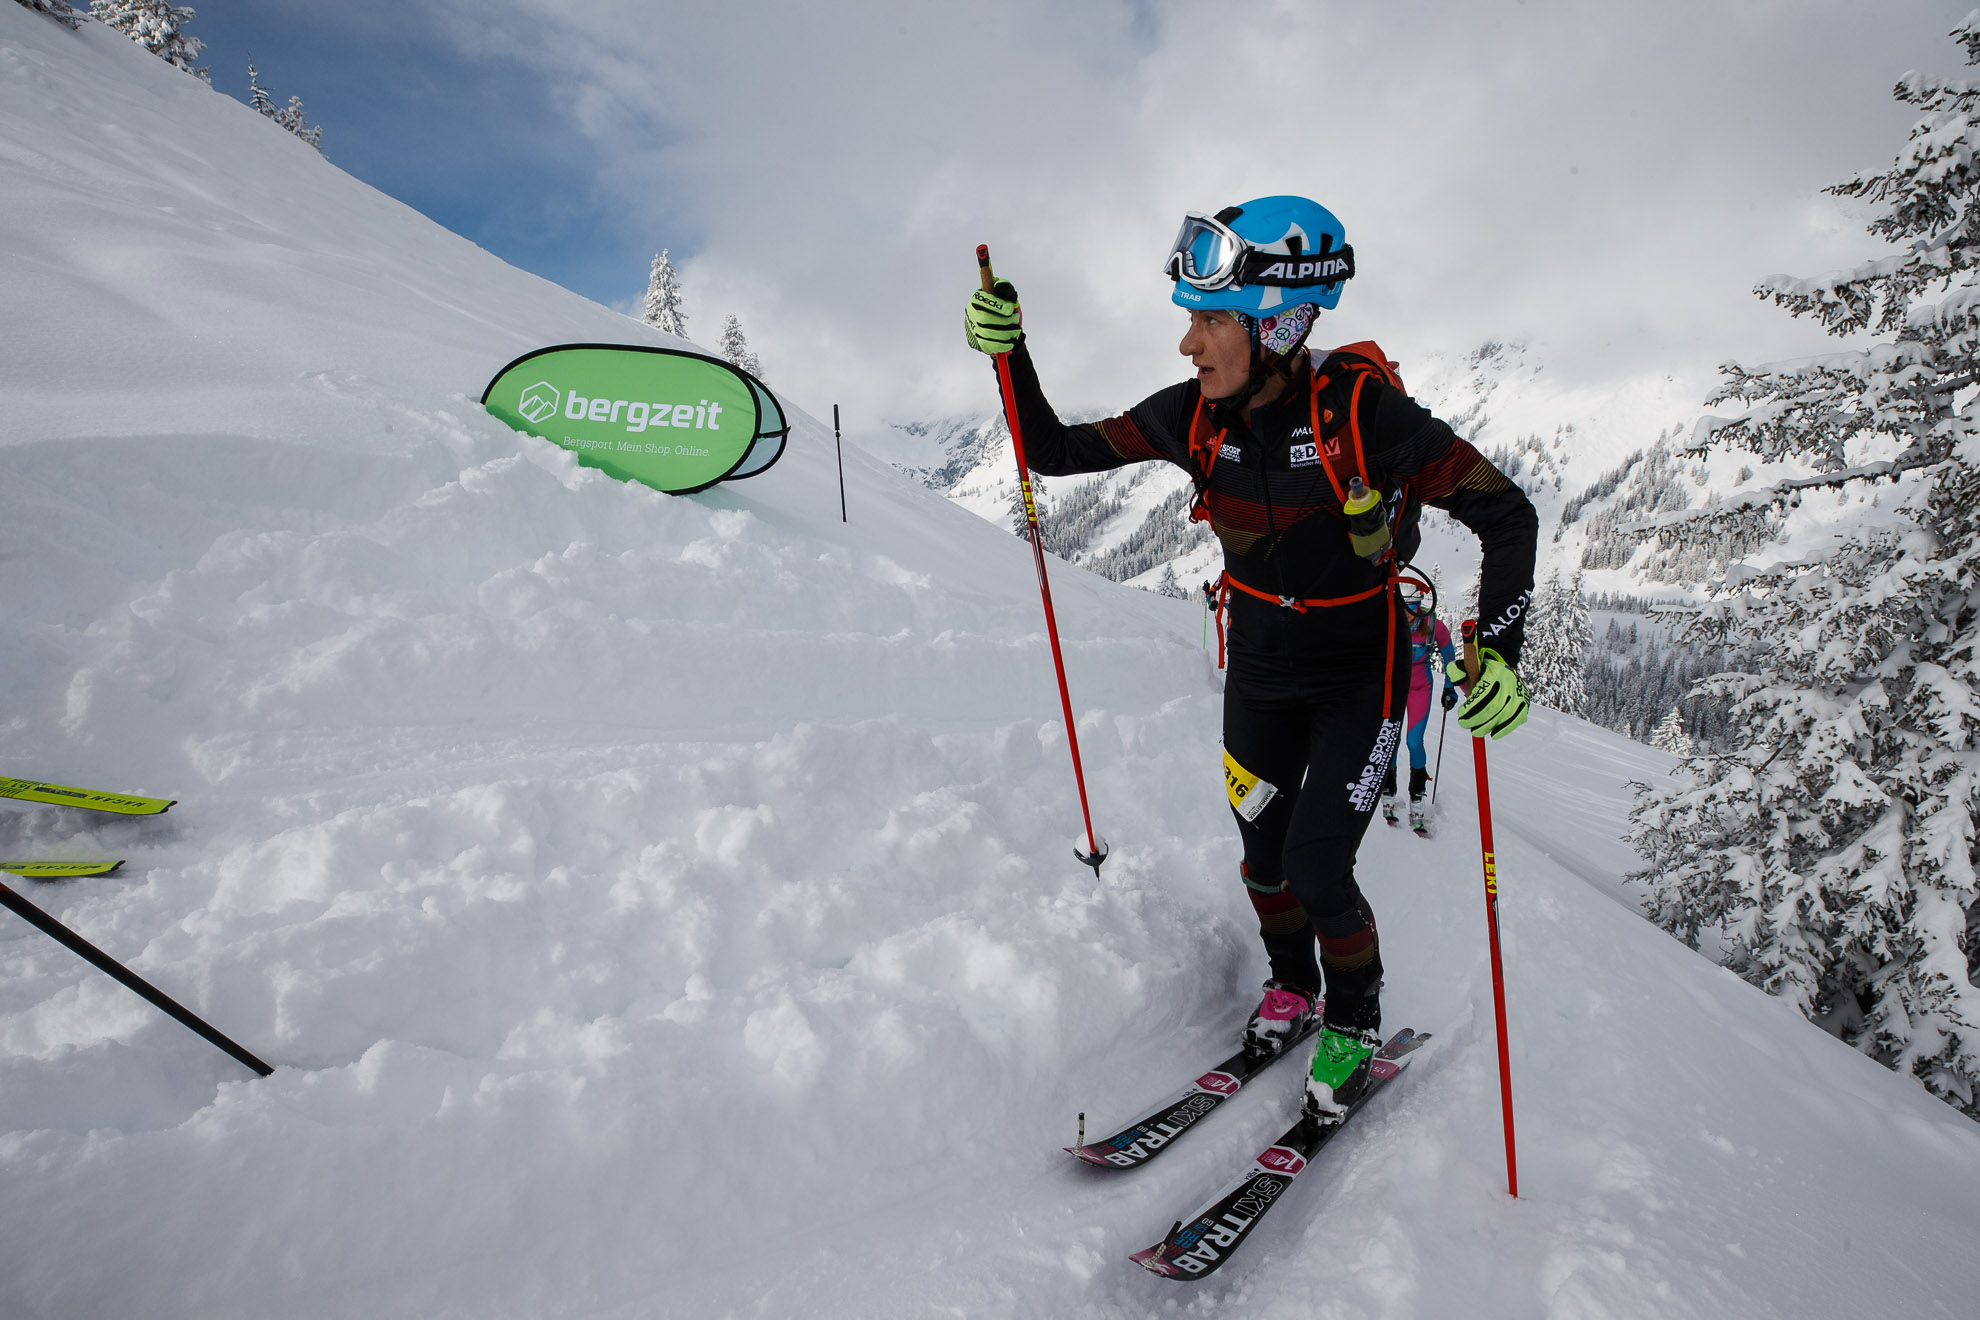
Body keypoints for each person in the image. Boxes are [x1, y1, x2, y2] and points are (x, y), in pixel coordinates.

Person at [963, 197, 1537, 1125]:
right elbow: (1051, 449)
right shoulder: (1192, 417)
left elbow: (1505, 511)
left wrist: (1500, 652)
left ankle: (1353, 1016)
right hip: (1263, 667)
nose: (1189, 345)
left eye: (1210, 320)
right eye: (1189, 319)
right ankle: (1290, 986)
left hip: (1362, 666)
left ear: (1280, 321)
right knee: (1262, 861)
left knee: (1318, 867)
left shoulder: (1363, 414)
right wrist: (1009, 351)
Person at [1379, 593, 1456, 833]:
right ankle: (1388, 791)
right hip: (1394, 684)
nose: (1408, 613)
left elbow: (1449, 652)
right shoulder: (1389, 621)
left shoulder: (1432, 625)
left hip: (1420, 685)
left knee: (1414, 741)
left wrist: (1450, 686)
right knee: (1391, 738)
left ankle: (1417, 795)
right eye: (1403, 607)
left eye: (1412, 607)